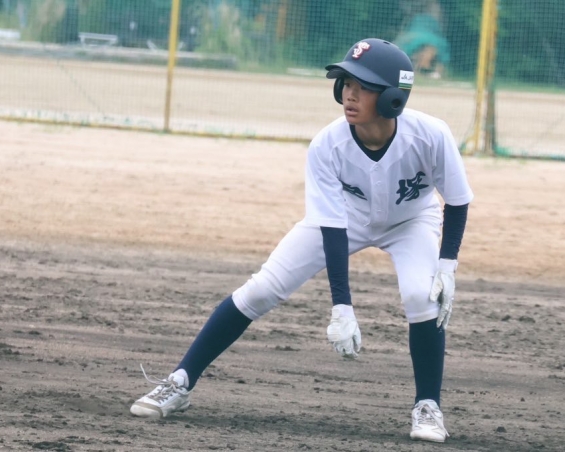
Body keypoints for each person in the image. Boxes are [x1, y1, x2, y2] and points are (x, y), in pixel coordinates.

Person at [129, 38, 473, 443]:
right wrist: (342, 307)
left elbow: (458, 200)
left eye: (363, 86)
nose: (349, 94)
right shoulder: (329, 144)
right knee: (262, 288)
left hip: (412, 220)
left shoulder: (430, 134)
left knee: (421, 296)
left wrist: (447, 265)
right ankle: (180, 381)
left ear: (392, 98)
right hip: (346, 218)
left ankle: (428, 406)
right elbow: (332, 226)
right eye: (346, 83)